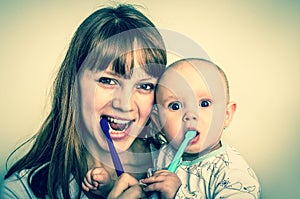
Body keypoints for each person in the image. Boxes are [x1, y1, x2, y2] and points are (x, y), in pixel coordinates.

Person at [1, 4, 167, 199]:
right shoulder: (19, 192)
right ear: (73, 85)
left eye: (145, 86)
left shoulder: (189, 174)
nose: (125, 104)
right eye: (108, 80)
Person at [140, 58, 261, 198]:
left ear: (226, 115)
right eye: (175, 106)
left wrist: (177, 195)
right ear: (158, 120)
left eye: (204, 104)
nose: (190, 115)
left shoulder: (233, 173)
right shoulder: (163, 153)